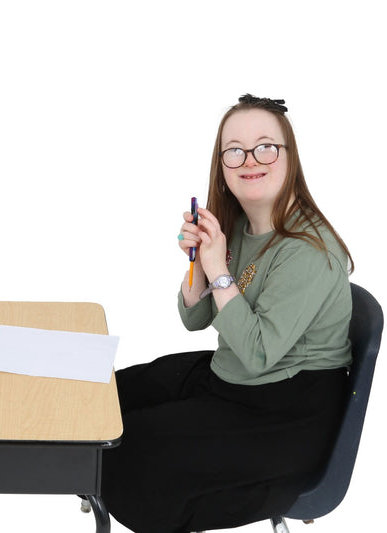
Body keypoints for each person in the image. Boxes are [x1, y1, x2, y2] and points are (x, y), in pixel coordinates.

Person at [99, 94, 354, 533]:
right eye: (234, 149)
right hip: (232, 376)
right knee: (107, 399)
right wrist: (199, 261)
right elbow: (195, 320)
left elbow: (258, 354)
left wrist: (218, 268)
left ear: (290, 157)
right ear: (221, 162)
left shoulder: (310, 251)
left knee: (129, 452)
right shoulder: (237, 224)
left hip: (284, 409)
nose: (249, 159)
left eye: (265, 147)